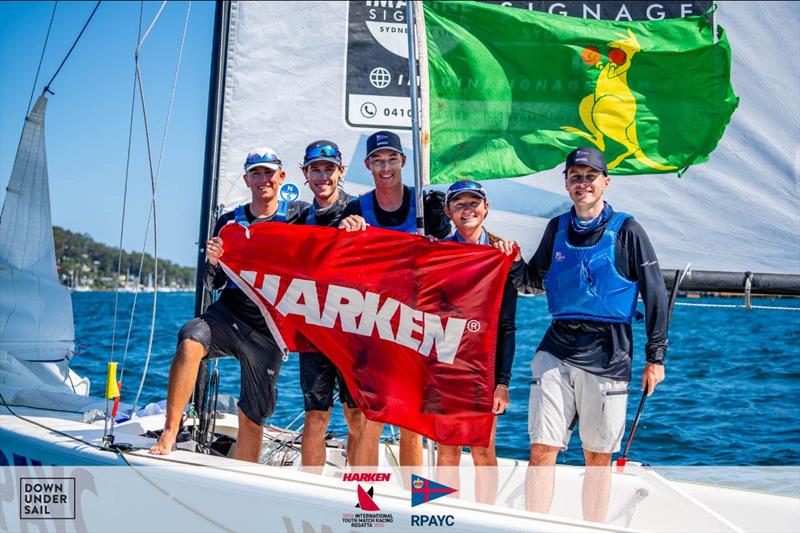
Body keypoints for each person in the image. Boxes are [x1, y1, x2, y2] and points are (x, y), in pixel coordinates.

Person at [523, 147, 669, 522]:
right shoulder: (556, 228)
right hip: (556, 345)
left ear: (606, 181)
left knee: (597, 454)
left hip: (609, 351)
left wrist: (656, 358)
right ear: (567, 184)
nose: (583, 183)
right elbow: (531, 278)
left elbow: (655, 292)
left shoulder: (628, 230)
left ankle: (593, 527)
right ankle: (531, 525)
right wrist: (498, 256)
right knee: (542, 446)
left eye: (590, 176)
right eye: (575, 176)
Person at [149, 147, 308, 462]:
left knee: (252, 413)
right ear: (246, 179)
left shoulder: (298, 215)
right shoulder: (228, 221)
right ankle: (170, 429)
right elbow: (214, 283)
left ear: (281, 177)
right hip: (230, 312)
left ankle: (245, 476)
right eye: (256, 173)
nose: (263, 179)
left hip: (269, 326)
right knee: (191, 337)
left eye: (268, 173)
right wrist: (212, 262)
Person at [338, 130, 451, 470]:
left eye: (391, 160)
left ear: (403, 161)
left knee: (410, 422)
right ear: (368, 165)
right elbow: (336, 265)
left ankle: (410, 502)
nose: (385, 167)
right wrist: (346, 231)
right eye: (377, 161)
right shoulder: (357, 208)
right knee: (369, 420)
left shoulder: (426, 206)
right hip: (372, 323)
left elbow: (453, 257)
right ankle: (364, 502)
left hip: (414, 325)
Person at [434, 179, 522, 504]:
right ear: (448, 212)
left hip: (483, 369)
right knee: (447, 449)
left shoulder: (501, 255)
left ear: (485, 208)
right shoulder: (439, 253)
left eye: (474, 203)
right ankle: (445, 519)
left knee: (482, 449)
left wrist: (503, 383)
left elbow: (507, 326)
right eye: (459, 204)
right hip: (445, 364)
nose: (467, 210)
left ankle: (485, 518)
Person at [296, 140, 364, 471]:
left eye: (328, 169)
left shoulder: (360, 210)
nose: (322, 176)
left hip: (354, 331)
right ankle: (313, 490)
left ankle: (359, 493)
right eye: (315, 170)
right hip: (314, 331)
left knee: (356, 415)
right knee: (315, 417)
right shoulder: (298, 217)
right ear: (305, 174)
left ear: (341, 172)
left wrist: (361, 230)